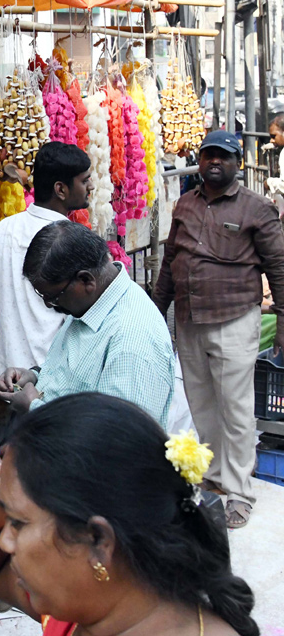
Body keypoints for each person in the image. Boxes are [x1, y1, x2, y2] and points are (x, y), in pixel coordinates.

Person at [0, 393, 257, 636]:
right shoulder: (85, 606)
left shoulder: (80, 605)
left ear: (99, 541)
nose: (4, 542)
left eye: (17, 523)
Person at [152, 130, 284, 529]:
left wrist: (281, 323)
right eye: (208, 155)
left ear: (237, 163)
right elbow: (170, 258)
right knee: (202, 406)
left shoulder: (257, 209)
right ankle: (213, 480)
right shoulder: (184, 205)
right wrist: (157, 309)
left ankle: (240, 491)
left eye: (223, 157)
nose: (213, 162)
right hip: (190, 321)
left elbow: (278, 267)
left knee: (237, 409)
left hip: (234, 319)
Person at [0, 221, 175, 426]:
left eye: (53, 296)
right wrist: (35, 376)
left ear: (86, 280)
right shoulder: (92, 301)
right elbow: (76, 375)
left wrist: (35, 407)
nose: (48, 304)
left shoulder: (133, 343)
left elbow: (118, 439)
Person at [0, 141, 93, 375]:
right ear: (60, 189)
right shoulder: (75, 241)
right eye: (85, 181)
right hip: (59, 379)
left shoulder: (1, 231)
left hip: (12, 379)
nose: (91, 186)